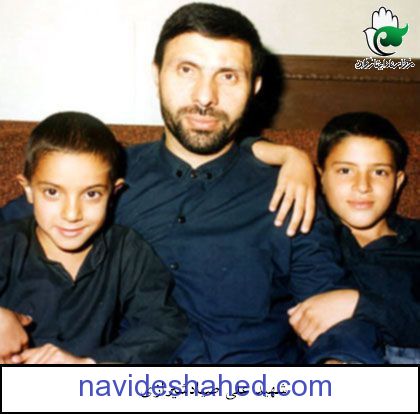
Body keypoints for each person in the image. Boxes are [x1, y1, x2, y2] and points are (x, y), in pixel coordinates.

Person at [0, 3, 383, 364]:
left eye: (228, 76)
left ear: (254, 87)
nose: (205, 97)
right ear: (157, 74)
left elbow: (330, 307)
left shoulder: (288, 189)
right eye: (187, 70)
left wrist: (339, 367)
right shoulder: (98, 179)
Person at [0, 111, 188, 364]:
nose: (71, 214)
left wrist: (89, 365)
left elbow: (164, 325)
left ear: (113, 193)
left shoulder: (127, 250)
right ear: (28, 190)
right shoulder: (7, 243)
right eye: (52, 192)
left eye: (91, 194)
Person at [258, 112, 420, 364]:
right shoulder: (305, 233)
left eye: (379, 172)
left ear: (398, 182)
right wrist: (292, 157)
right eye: (345, 170)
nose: (362, 186)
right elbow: (233, 153)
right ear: (320, 176)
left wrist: (358, 304)